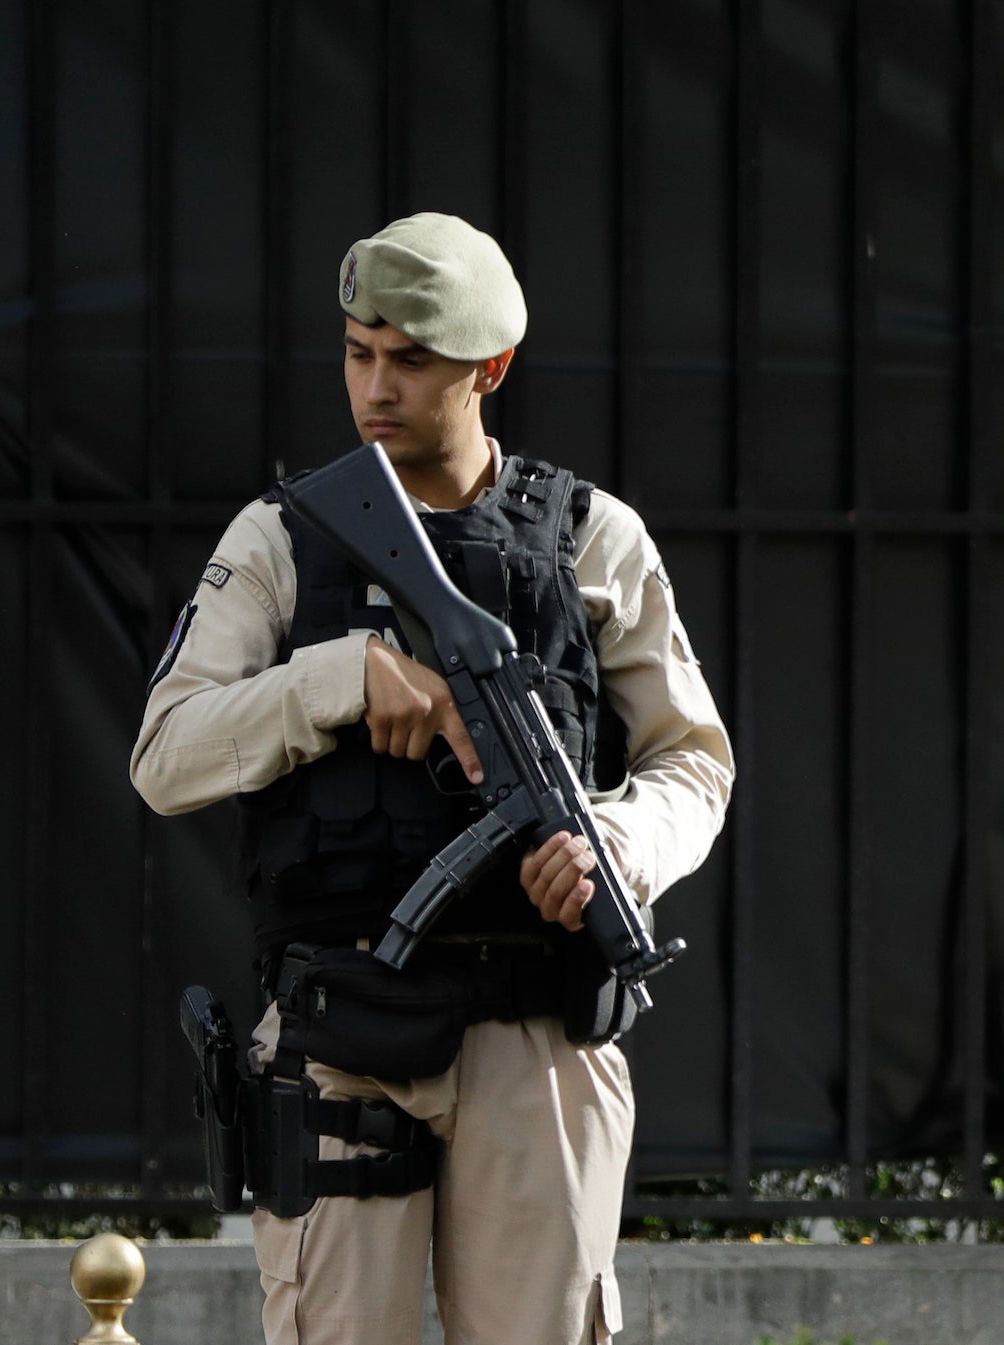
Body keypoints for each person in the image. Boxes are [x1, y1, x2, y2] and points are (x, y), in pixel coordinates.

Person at [132, 212, 734, 1345]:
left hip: (542, 1035)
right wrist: (337, 680)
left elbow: (691, 761)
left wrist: (619, 845)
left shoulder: (590, 538)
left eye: (410, 360)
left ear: (488, 368)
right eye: (358, 351)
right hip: (344, 1027)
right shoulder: (284, 538)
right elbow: (167, 757)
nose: (375, 385)